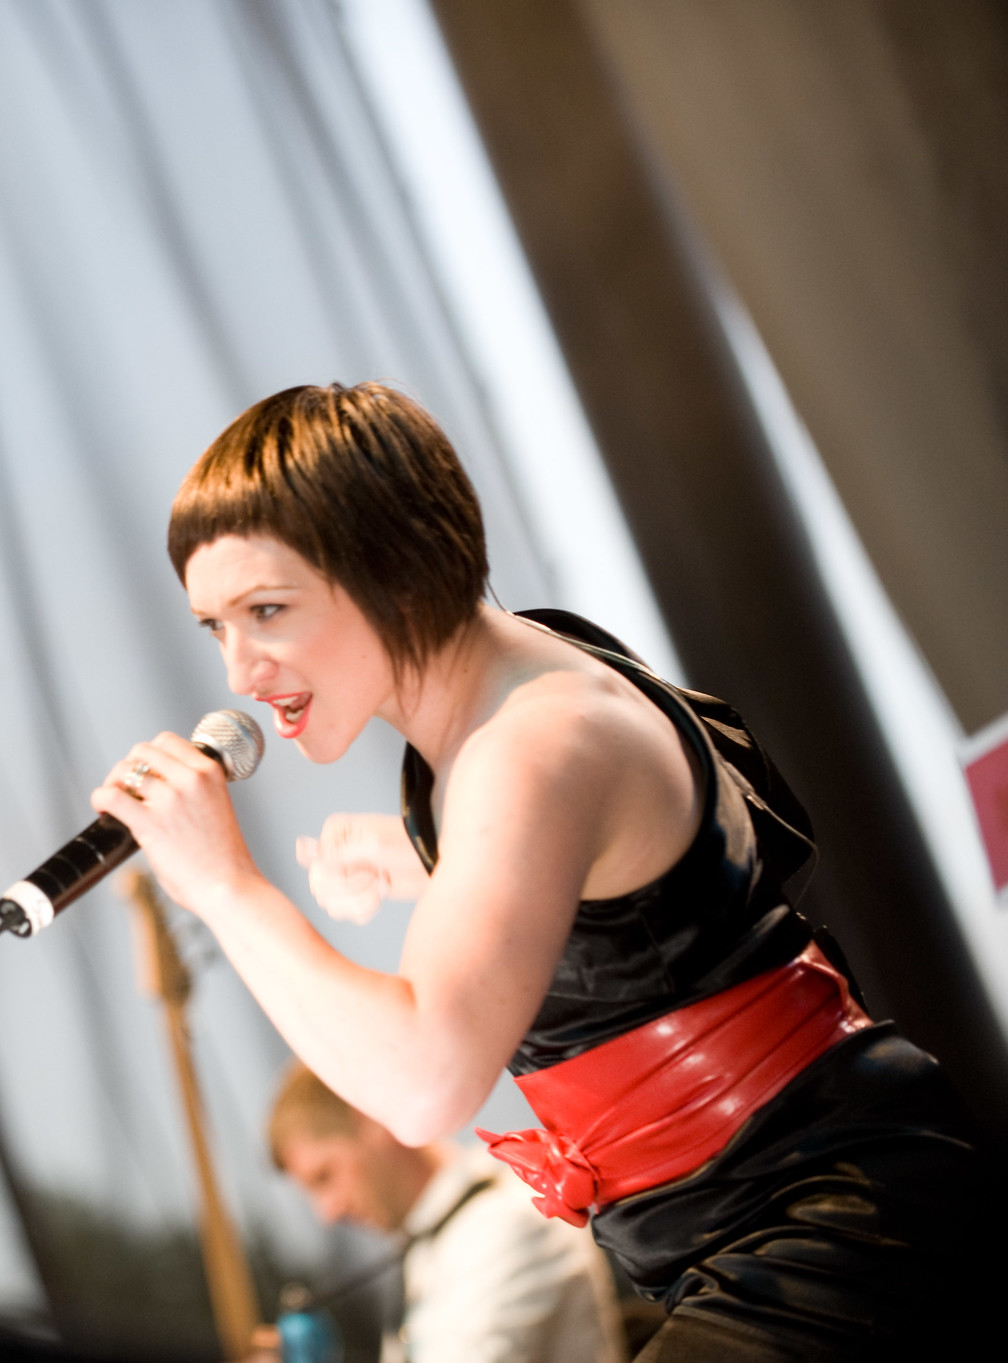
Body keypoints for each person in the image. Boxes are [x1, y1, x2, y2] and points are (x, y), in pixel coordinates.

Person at [90, 382, 986, 1360]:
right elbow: (649, 903)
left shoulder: (530, 741)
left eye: (266, 610)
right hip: (788, 1218)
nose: (239, 672)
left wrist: (224, 885)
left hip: (835, 1220)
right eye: (215, 627)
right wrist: (425, 863)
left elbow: (425, 1083)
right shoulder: (517, 700)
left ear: (392, 566)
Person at [267, 1062, 624, 1363]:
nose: (327, 1213)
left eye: (324, 1176)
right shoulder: (432, 1242)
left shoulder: (507, 1224)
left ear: (370, 1120)